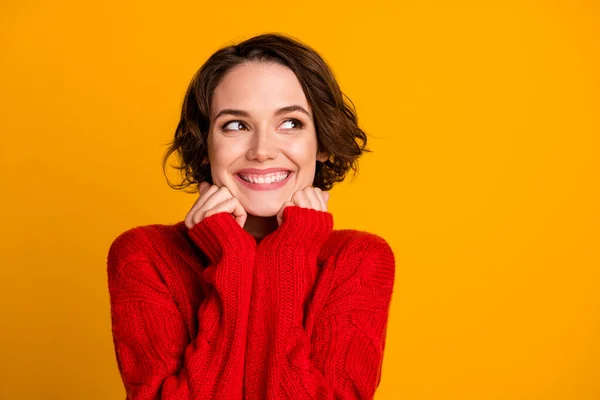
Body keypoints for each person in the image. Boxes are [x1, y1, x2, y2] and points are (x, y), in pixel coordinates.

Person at [107, 32, 396, 399]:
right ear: (205, 146)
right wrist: (234, 258)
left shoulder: (359, 260)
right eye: (236, 125)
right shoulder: (144, 255)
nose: (262, 150)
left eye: (290, 123)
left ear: (322, 143)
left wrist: (287, 254)